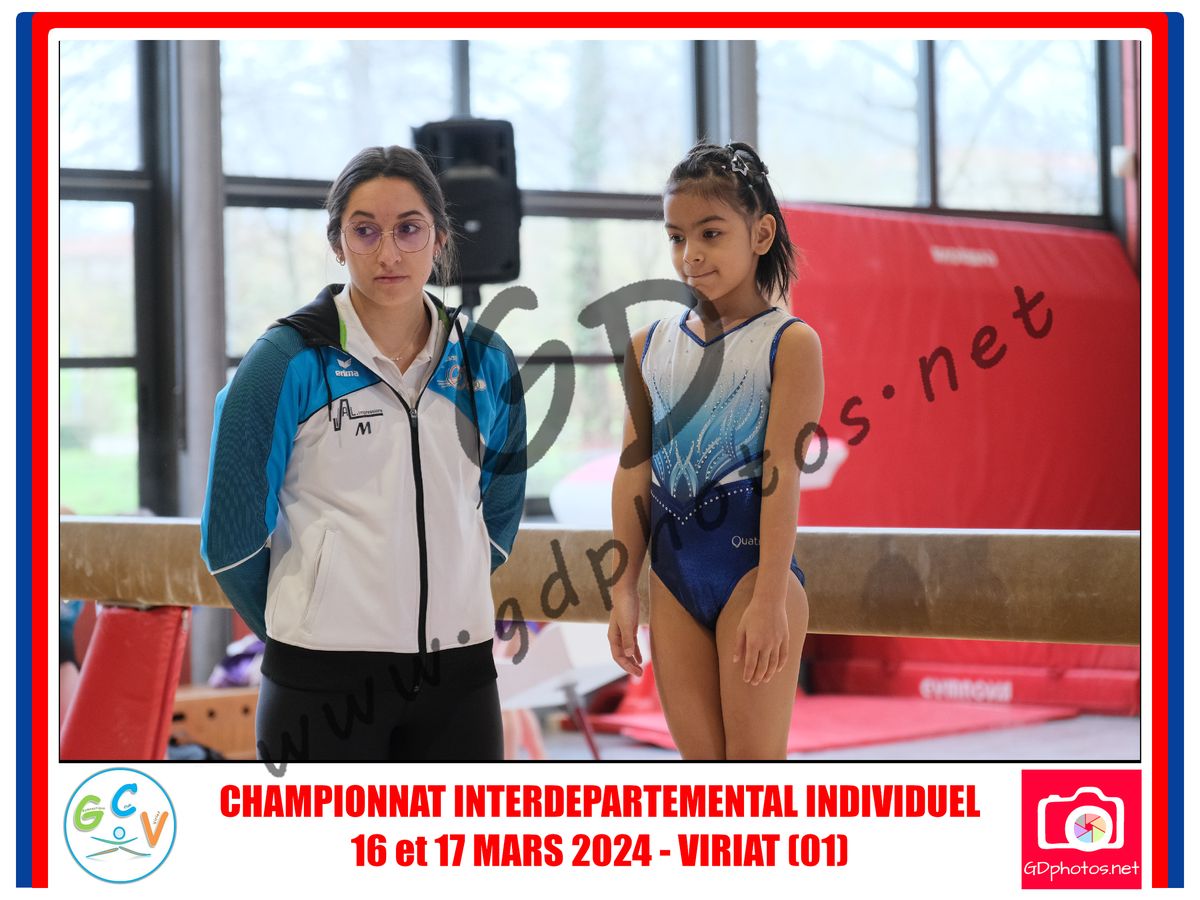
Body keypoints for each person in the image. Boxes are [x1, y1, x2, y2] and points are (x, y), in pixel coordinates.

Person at [201, 146, 526, 762]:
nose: (389, 253)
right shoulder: (286, 360)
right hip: (320, 680)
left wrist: (450, 591)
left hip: (459, 675)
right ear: (337, 243)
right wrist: (304, 622)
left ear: (439, 238)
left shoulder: (486, 359)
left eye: (409, 229)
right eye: (365, 231)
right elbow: (232, 538)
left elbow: (501, 510)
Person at [607, 141, 824, 760]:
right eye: (676, 237)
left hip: (752, 573)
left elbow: (782, 477)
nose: (691, 254)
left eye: (710, 233)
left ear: (761, 234)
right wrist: (623, 588)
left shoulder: (789, 343)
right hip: (674, 577)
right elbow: (632, 475)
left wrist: (772, 596)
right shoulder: (648, 345)